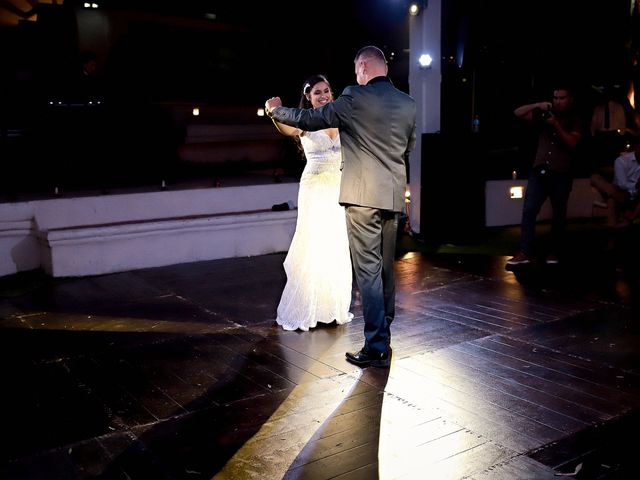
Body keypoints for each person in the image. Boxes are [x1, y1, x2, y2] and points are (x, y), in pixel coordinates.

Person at [265, 45, 416, 368]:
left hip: (361, 196)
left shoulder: (353, 98)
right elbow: (408, 146)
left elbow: (308, 118)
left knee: (369, 273)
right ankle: (383, 336)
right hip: (390, 195)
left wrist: (275, 110)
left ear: (363, 67)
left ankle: (376, 346)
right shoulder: (407, 103)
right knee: (386, 270)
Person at [269, 74, 354, 331]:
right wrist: (275, 113)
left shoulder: (340, 117)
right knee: (313, 244)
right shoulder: (306, 119)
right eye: (317, 92)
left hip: (338, 188)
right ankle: (307, 308)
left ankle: (331, 307)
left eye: (327, 90)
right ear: (308, 96)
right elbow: (288, 128)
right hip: (314, 188)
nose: (324, 95)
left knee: (334, 245)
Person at [506, 85, 583, 266]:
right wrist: (537, 105)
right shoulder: (544, 114)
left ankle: (555, 252)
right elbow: (517, 113)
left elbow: (572, 142)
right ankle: (525, 251)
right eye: (555, 97)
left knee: (559, 213)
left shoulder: (575, 117)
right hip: (539, 169)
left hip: (561, 171)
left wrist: (556, 125)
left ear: (570, 99)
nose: (558, 101)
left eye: (562, 98)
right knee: (529, 210)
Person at [590, 138, 640, 228]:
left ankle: (621, 225)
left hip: (634, 195)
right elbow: (622, 184)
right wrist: (635, 185)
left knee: (613, 199)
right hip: (619, 191)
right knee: (596, 179)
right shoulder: (622, 161)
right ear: (636, 147)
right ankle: (614, 230)